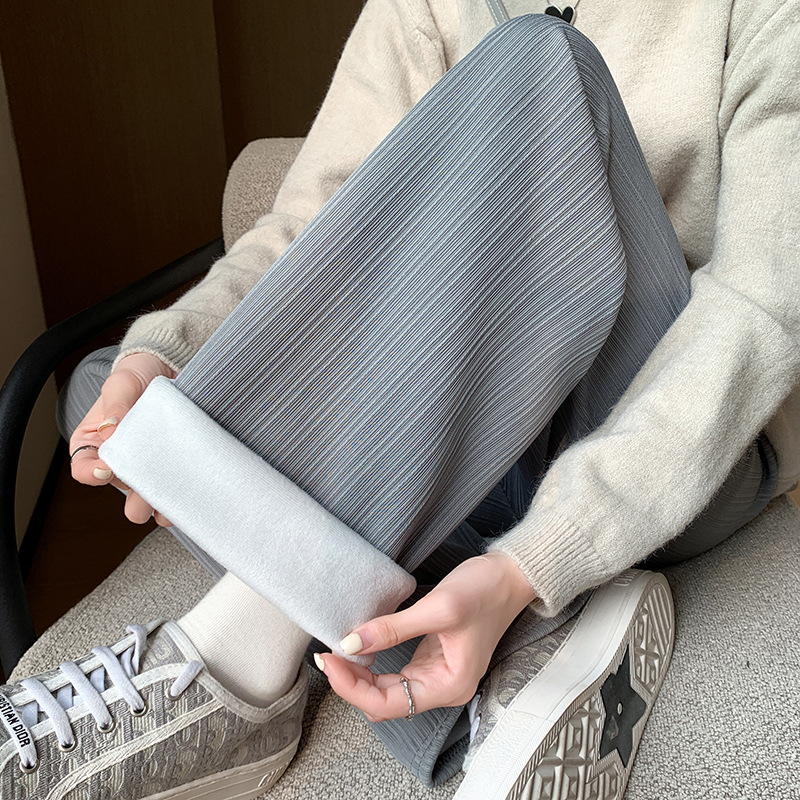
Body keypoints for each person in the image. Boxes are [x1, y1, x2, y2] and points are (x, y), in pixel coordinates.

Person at [1, 0, 797, 798]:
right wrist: (161, 354)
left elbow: (760, 310)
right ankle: (520, 645)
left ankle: (234, 662)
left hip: (664, 419)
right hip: (468, 422)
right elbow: (309, 221)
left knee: (545, 66)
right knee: (117, 397)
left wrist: (541, 555)